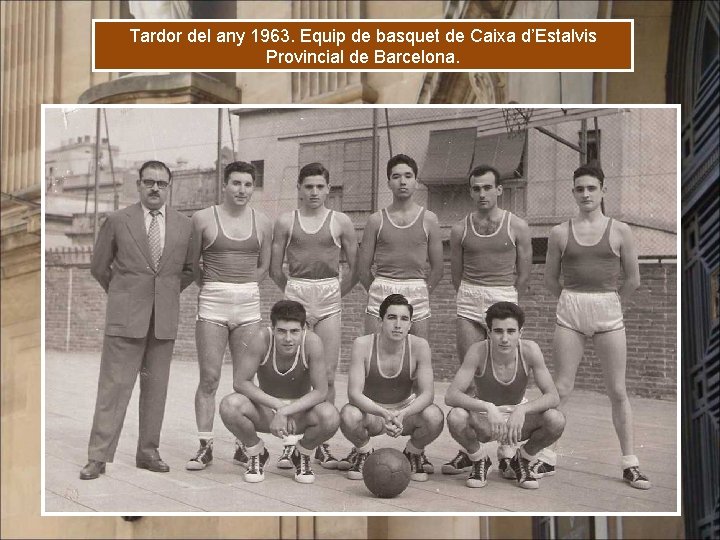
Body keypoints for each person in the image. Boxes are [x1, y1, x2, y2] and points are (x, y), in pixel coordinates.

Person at [80, 160, 193, 480]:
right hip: (125, 318)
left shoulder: (185, 225)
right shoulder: (117, 220)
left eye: (162, 183)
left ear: (170, 187)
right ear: (139, 185)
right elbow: (99, 268)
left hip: (164, 320)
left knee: (156, 389)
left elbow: (188, 271)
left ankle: (148, 452)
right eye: (149, 182)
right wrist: (124, 296)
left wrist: (164, 294)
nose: (155, 187)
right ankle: (98, 456)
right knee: (113, 388)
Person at [544, 163, 650, 489]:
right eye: (580, 188)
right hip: (571, 309)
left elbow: (633, 280)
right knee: (561, 388)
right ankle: (546, 455)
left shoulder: (621, 231)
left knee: (617, 390)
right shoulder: (560, 232)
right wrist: (573, 302)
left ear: (603, 191)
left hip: (607, 309)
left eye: (592, 188)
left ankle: (630, 463)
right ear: (573, 192)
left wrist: (610, 302)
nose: (586, 194)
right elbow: (549, 279)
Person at [442, 165, 532, 476]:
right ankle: (470, 451)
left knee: (508, 373)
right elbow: (455, 273)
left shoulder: (517, 225)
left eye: (487, 187)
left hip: (503, 295)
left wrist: (506, 298)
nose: (482, 193)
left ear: (499, 190)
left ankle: (508, 449)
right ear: (470, 191)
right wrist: (471, 295)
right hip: (469, 296)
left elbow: (524, 272)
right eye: (476, 188)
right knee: (469, 377)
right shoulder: (459, 229)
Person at [356, 154, 443, 473]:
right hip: (382, 290)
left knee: (419, 363)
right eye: (396, 176)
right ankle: (364, 441)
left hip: (416, 290)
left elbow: (438, 268)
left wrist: (417, 295)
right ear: (388, 182)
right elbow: (363, 268)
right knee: (370, 361)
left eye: (408, 175)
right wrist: (382, 296)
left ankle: (415, 444)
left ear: (417, 181)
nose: (403, 181)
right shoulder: (376, 220)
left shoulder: (429, 219)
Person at [185, 161, 272, 471]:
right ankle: (205, 446)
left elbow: (265, 266)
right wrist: (215, 288)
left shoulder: (262, 221)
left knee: (245, 380)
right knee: (209, 378)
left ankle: (243, 443)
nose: (242, 190)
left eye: (248, 184)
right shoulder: (202, 218)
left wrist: (244, 288)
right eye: (236, 183)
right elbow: (193, 264)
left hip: (248, 302)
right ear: (224, 185)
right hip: (213, 301)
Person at [270, 162, 358, 470]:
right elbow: (273, 268)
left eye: (320, 186)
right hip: (296, 292)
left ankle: (320, 442)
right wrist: (294, 297)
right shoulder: (286, 221)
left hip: (328, 294)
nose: (314, 192)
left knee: (328, 373)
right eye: (308, 186)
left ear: (328, 189)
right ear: (299, 189)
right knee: (297, 373)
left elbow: (355, 269)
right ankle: (289, 444)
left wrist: (333, 294)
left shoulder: (341, 221)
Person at [445, 302, 565, 489]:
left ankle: (522, 460)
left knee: (556, 419)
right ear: (489, 332)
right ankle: (479, 459)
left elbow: (553, 397)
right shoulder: (478, 351)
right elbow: (451, 395)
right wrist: (487, 407)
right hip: (486, 420)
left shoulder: (529, 350)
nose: (504, 338)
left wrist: (523, 410)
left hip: (516, 423)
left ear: (520, 333)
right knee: (456, 416)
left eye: (511, 331)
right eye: (498, 331)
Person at [218, 300, 340, 484]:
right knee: (229, 405)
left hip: (299, 412)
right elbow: (240, 382)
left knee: (330, 415)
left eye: (294, 331)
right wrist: (278, 406)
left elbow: (321, 391)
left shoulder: (312, 342)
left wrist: (286, 411)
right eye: (282, 331)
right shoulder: (261, 339)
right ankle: (257, 452)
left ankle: (302, 454)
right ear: (273, 329)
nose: (288, 338)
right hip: (267, 410)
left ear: (303, 329)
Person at [339, 294, 444, 482]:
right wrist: (384, 413)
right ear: (380, 321)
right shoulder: (362, 344)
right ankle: (364, 451)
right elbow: (354, 394)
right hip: (373, 413)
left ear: (411, 324)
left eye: (404, 319)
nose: (398, 324)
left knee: (434, 416)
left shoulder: (420, 346)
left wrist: (403, 414)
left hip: (405, 412)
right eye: (391, 317)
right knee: (349, 414)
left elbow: (427, 394)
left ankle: (413, 452)